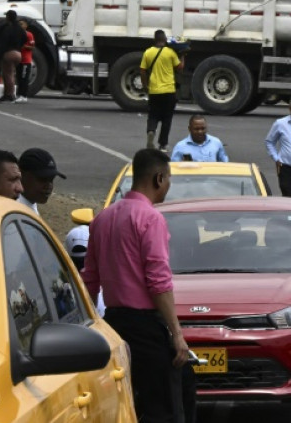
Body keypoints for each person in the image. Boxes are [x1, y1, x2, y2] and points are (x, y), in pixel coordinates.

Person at [81, 148, 190, 423]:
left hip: (114, 326)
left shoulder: (103, 218)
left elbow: (90, 280)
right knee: (164, 408)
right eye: (168, 179)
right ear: (158, 179)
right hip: (146, 329)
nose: (168, 186)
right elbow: (158, 282)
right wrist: (176, 333)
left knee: (128, 405)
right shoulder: (151, 218)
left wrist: (88, 327)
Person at [142, 29, 185, 152]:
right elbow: (180, 68)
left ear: (154, 40)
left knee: (153, 115)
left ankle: (151, 131)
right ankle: (162, 145)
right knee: (167, 118)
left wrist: (145, 86)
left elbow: (142, 71)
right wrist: (183, 56)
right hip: (169, 90)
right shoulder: (170, 52)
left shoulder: (148, 53)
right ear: (165, 40)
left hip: (154, 90)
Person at [17, 148, 66, 214]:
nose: (48, 186)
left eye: (51, 180)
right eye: (43, 179)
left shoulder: (28, 203)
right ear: (21, 175)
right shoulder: (16, 211)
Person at [0, 10, 27, 103]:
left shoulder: (7, 28)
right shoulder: (20, 29)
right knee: (11, 73)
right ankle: (8, 94)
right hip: (18, 53)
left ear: (8, 17)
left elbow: (3, 40)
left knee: (8, 75)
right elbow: (24, 38)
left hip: (9, 53)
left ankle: (10, 94)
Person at [14, 19, 34, 103]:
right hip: (19, 60)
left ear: (26, 25)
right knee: (19, 78)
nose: (20, 25)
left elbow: (32, 47)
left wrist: (24, 46)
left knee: (24, 78)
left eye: (22, 24)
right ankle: (19, 95)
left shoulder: (29, 34)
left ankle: (24, 96)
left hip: (25, 61)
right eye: (19, 24)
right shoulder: (17, 34)